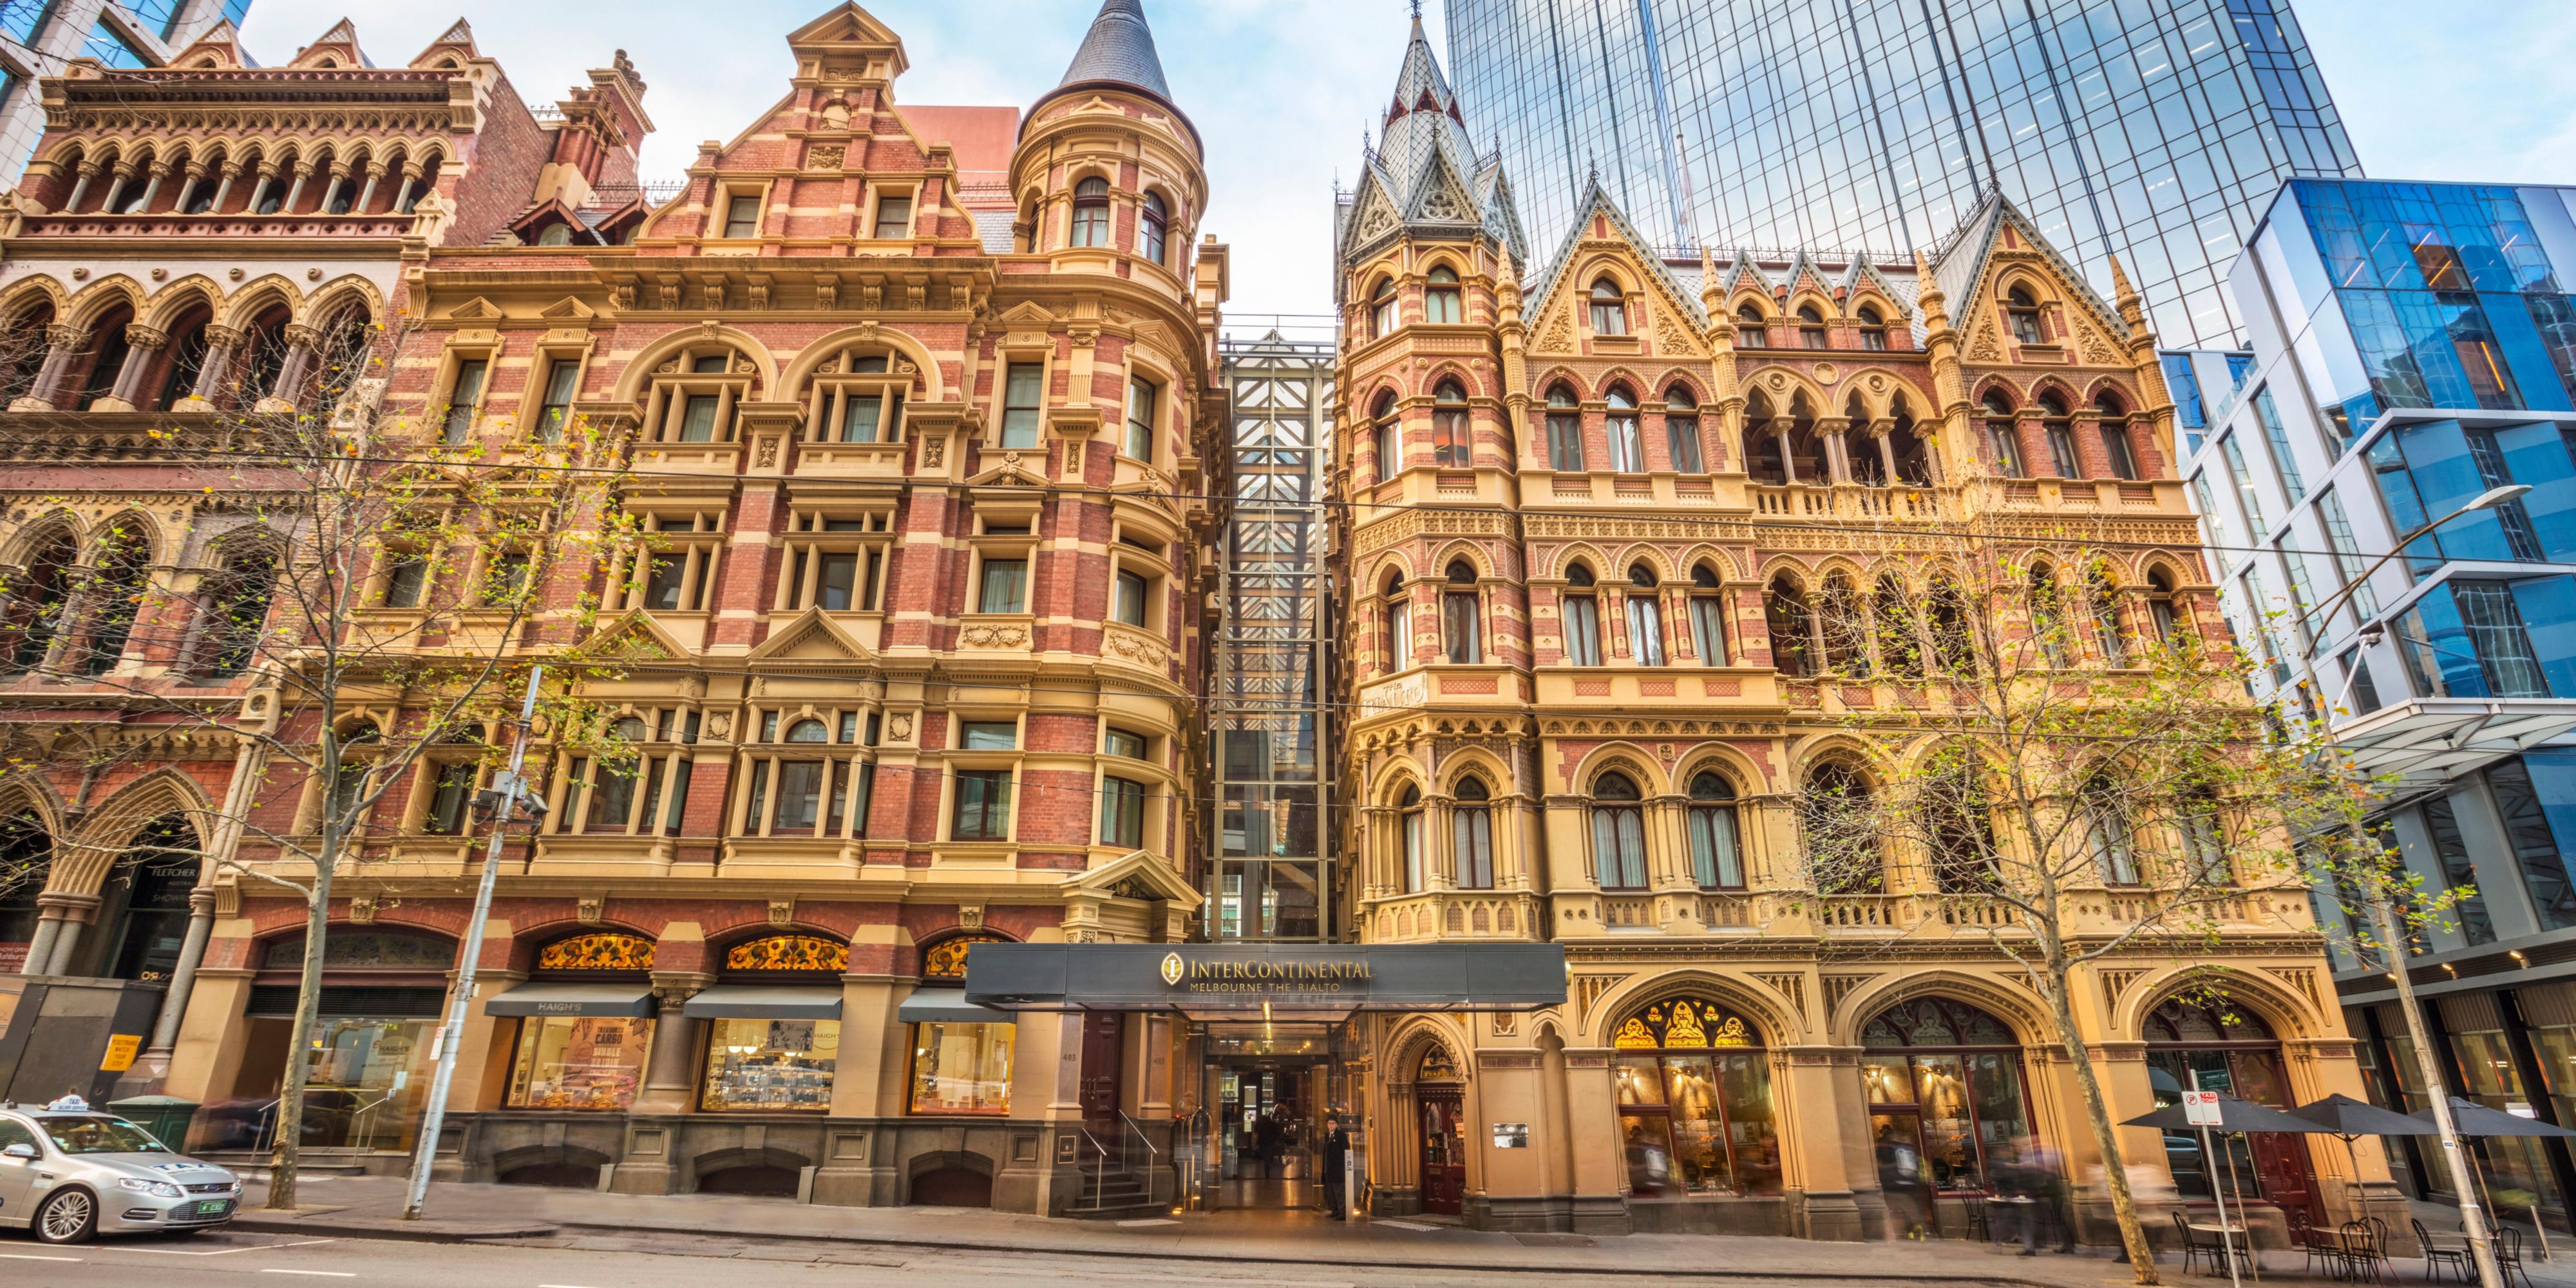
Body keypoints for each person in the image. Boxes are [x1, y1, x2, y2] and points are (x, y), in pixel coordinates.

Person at [1320, 1115, 1350, 1218]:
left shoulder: (1341, 1135)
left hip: (1337, 1169)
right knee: (1331, 1192)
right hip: (1328, 1169)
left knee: (1339, 1192)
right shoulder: (1327, 1135)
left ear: (1337, 1125)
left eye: (1333, 1124)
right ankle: (1335, 1211)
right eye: (1329, 1124)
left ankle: (1343, 1212)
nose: (1330, 1126)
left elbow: (1346, 1150)